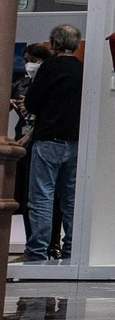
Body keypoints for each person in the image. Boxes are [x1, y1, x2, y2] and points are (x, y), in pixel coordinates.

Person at [21, 25, 83, 262]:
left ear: (54, 43)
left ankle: (37, 251)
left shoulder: (49, 67)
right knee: (71, 199)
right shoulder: (81, 68)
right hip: (75, 141)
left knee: (41, 197)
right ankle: (70, 251)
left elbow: (33, 103)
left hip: (48, 140)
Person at [11, 43, 51, 252]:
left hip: (41, 140)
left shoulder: (48, 82)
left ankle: (46, 244)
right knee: (28, 197)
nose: (28, 66)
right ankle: (32, 242)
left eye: (33, 61)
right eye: (26, 61)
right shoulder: (21, 84)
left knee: (43, 195)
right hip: (21, 142)